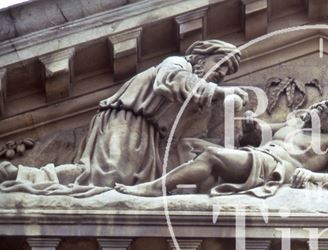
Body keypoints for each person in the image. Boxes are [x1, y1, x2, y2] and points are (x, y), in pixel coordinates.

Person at [73, 39, 248, 187]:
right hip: (125, 120)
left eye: (228, 71)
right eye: (221, 62)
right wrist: (218, 91)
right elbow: (169, 80)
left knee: (130, 183)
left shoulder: (195, 98)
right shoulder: (178, 64)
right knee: (110, 179)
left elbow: (193, 137)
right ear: (201, 57)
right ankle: (48, 178)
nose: (222, 72)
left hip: (149, 135)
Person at [115, 92, 328, 197]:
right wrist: (252, 127)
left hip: (275, 168)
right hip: (257, 155)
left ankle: (155, 188)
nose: (326, 104)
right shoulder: (294, 123)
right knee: (190, 145)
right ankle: (201, 195)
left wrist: (311, 176)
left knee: (210, 155)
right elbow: (260, 133)